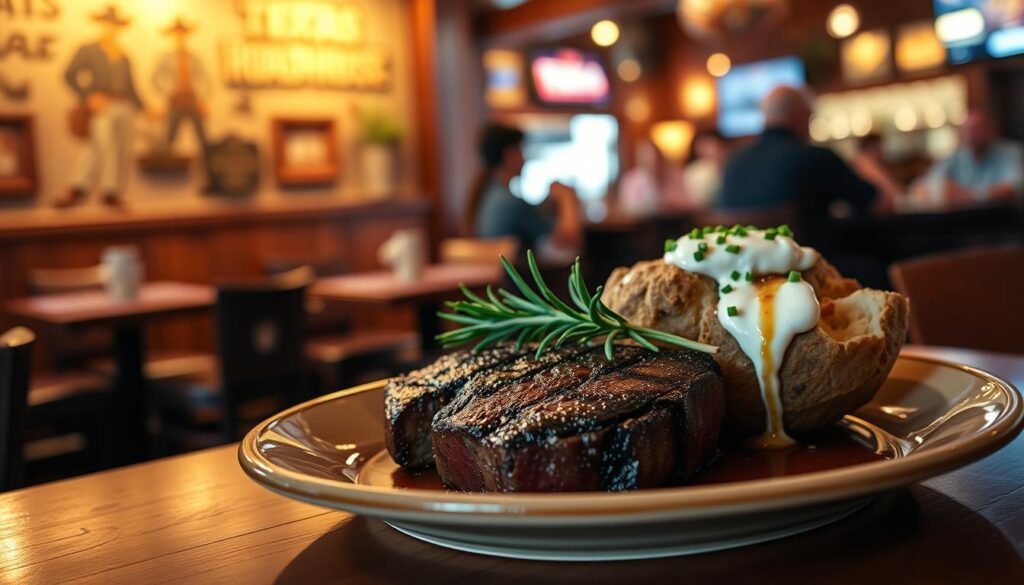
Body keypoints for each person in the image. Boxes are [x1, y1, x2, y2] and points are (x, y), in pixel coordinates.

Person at [718, 86, 878, 252]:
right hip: (817, 268)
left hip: (749, 273)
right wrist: (870, 165)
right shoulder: (815, 157)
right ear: (801, 115)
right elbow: (879, 204)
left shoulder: (733, 162)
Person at [57, 5, 146, 208]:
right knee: (102, 145)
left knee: (121, 148)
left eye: (114, 25)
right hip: (102, 106)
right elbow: (69, 75)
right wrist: (88, 97)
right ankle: (81, 188)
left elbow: (132, 88)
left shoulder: (124, 56)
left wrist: (145, 108)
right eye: (107, 24)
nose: (110, 28)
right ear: (101, 25)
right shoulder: (89, 50)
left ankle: (110, 191)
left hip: (124, 105)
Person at [465, 123, 582, 262]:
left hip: (501, 281)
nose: (524, 159)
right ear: (509, 155)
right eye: (521, 151)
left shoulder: (491, 196)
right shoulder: (509, 203)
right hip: (517, 282)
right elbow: (569, 241)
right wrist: (567, 196)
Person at [152, 17, 213, 186]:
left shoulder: (194, 58)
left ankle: (210, 177)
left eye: (183, 34)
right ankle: (164, 179)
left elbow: (206, 80)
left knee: (203, 140)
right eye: (177, 35)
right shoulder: (166, 58)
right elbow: (155, 79)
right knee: (169, 139)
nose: (180, 38)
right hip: (176, 101)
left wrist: (203, 100)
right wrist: (168, 92)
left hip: (192, 101)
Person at [920, 109, 1024, 207]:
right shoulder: (957, 156)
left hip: (1004, 220)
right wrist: (939, 189)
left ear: (990, 130)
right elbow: (923, 185)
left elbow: (1014, 188)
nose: (972, 134)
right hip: (966, 220)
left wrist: (969, 194)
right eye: (968, 130)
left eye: (977, 129)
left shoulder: (1011, 153)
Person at [851, 134, 903, 211]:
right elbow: (892, 194)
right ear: (871, 148)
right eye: (879, 148)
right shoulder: (863, 162)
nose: (883, 152)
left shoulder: (872, 164)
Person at [682, 130, 729, 209]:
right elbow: (698, 201)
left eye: (714, 145)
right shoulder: (696, 171)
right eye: (705, 146)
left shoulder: (735, 165)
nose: (712, 150)